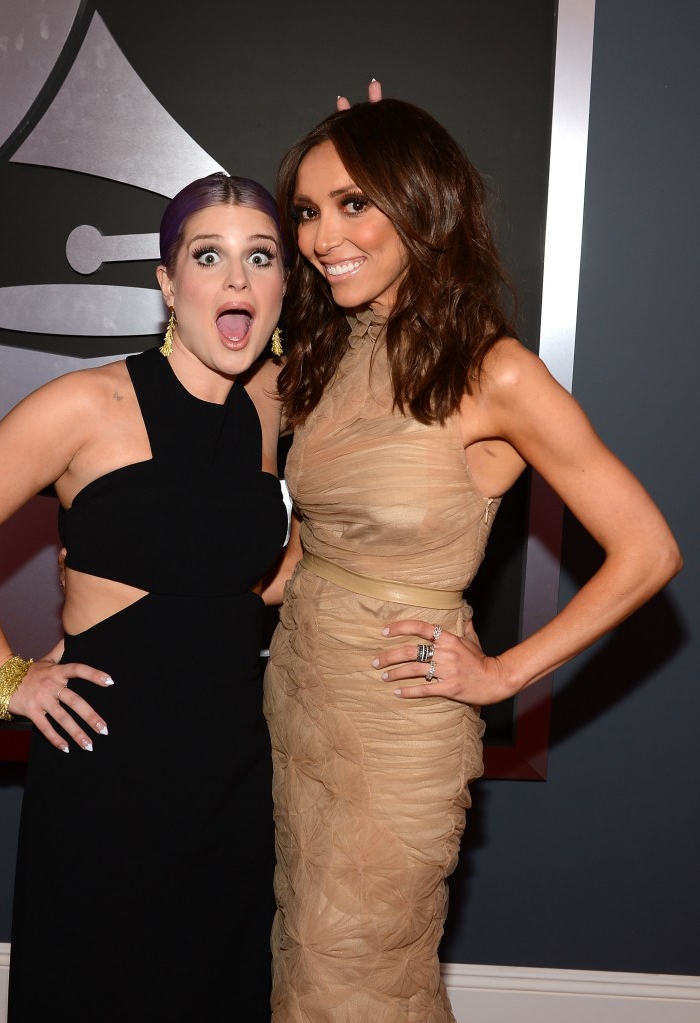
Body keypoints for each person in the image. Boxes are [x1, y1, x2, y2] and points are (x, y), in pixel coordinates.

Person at [262, 97, 682, 1022]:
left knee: (348, 974)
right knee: (308, 961)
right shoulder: (333, 350)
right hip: (301, 690)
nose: (323, 234)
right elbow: (310, 544)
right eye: (308, 209)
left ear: (423, 205)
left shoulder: (495, 375)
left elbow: (648, 549)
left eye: (356, 203)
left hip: (401, 718)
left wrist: (501, 674)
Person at [0, 173, 289, 1021]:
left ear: (282, 286)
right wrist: (4, 676)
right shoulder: (88, 403)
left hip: (233, 764)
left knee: (222, 988)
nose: (236, 281)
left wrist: (379, 179)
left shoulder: (269, 400)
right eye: (209, 256)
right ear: (166, 281)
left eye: (259, 258)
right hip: (109, 761)